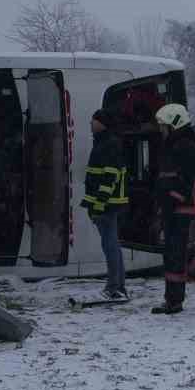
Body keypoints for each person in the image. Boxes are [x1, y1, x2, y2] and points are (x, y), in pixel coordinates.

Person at [150, 103, 195, 315]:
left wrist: (171, 199)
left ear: (174, 124)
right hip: (173, 207)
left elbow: (186, 182)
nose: (161, 130)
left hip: (181, 207)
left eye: (164, 125)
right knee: (178, 252)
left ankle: (174, 301)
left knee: (175, 254)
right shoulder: (175, 144)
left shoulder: (184, 147)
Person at [80, 109, 130, 301]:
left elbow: (109, 176)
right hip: (106, 203)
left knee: (110, 245)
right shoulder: (105, 142)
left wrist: (99, 203)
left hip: (107, 204)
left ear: (103, 124)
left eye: (94, 121)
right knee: (111, 245)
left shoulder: (108, 144)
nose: (91, 123)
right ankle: (117, 285)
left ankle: (115, 286)